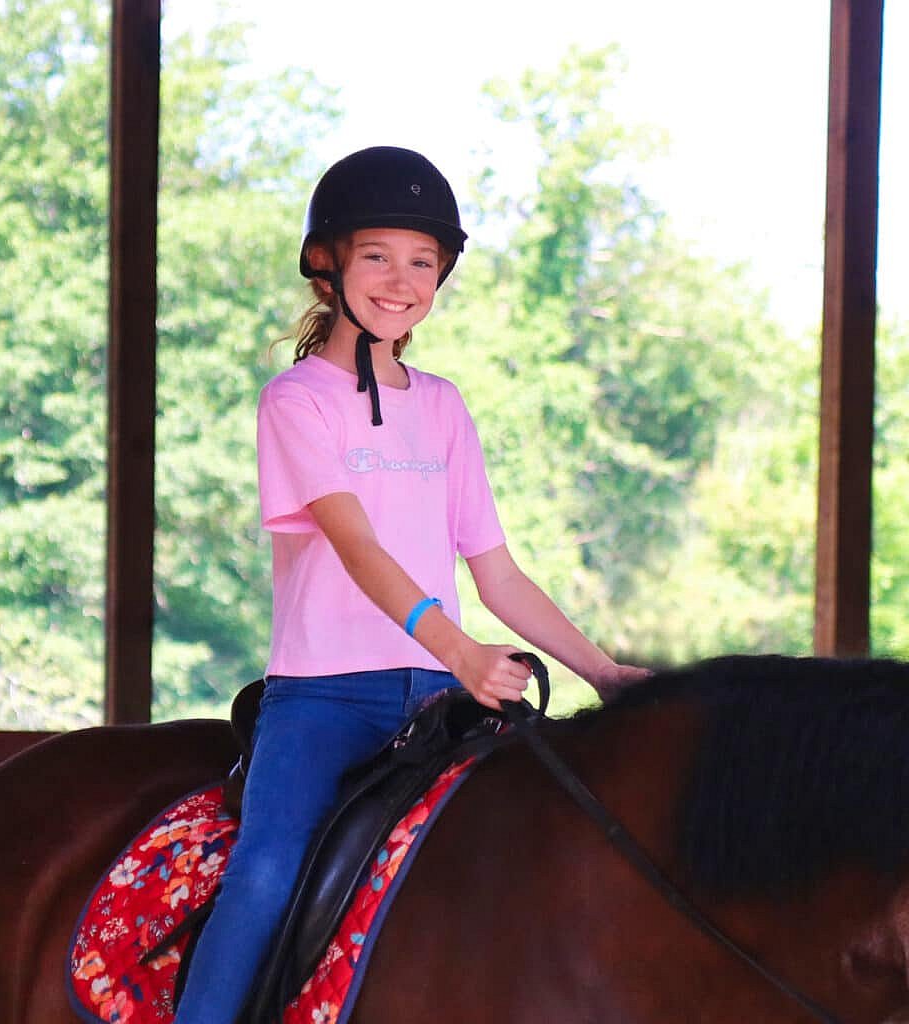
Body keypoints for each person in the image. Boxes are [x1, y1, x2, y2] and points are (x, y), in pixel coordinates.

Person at [174, 145, 649, 1024]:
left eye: (422, 262)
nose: (401, 280)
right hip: (323, 700)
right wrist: (462, 650)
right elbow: (357, 547)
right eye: (378, 257)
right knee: (269, 869)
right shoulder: (296, 400)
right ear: (330, 267)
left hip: (440, 699)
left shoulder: (445, 405)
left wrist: (606, 674)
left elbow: (497, 573)